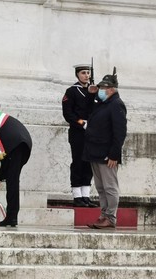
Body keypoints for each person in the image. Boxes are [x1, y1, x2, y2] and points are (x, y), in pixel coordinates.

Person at [84, 70, 127, 229]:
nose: (101, 90)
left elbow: (120, 132)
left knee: (110, 187)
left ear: (111, 89)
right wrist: (91, 93)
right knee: (101, 187)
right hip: (95, 152)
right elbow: (87, 109)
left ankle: (111, 217)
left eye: (103, 88)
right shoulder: (102, 103)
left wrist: (114, 154)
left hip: (107, 154)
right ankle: (103, 215)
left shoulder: (116, 104)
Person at [0, 112, 32, 227]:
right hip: (25, 143)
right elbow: (4, 159)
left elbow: (1, 155)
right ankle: (12, 216)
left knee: (12, 181)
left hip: (15, 143)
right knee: (12, 179)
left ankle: (12, 217)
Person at [62, 64, 98, 207]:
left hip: (91, 133)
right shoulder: (71, 91)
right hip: (78, 132)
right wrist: (82, 123)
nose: (86, 75)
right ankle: (77, 196)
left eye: (88, 73)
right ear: (77, 75)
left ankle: (86, 196)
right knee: (78, 162)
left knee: (88, 163)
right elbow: (68, 113)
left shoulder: (94, 90)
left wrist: (92, 94)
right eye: (83, 73)